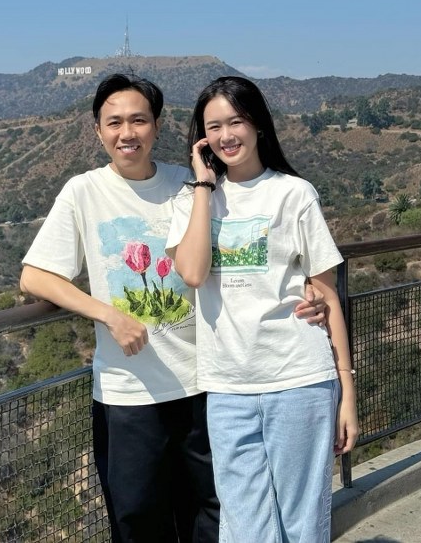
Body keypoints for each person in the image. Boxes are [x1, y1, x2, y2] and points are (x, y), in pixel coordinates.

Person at [20, 73, 326, 543]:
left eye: (139, 120)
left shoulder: (191, 185)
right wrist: (110, 314)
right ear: (97, 131)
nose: (127, 133)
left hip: (204, 383)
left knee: (214, 514)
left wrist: (305, 286)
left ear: (157, 126)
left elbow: (252, 243)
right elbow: (35, 276)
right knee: (139, 522)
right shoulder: (83, 192)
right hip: (128, 394)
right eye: (114, 122)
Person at [166, 76, 358, 543]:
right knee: (243, 527)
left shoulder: (294, 193)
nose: (226, 135)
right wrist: (204, 186)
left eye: (236, 122)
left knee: (301, 524)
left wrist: (347, 392)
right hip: (227, 386)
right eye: (214, 127)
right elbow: (192, 273)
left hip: (299, 377)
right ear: (201, 137)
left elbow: (327, 295)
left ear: (258, 125)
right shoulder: (193, 200)